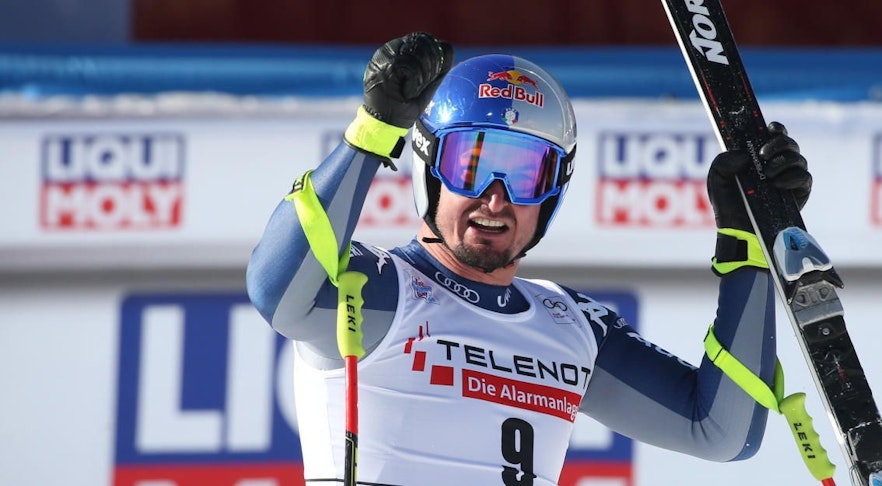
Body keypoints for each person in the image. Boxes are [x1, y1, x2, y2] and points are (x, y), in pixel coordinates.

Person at [247, 31, 812, 485]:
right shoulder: (372, 289)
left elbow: (722, 432)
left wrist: (748, 246)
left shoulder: (572, 326)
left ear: (553, 191)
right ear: (427, 167)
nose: (497, 197)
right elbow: (277, 294)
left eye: (524, 173)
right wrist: (372, 132)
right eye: (471, 165)